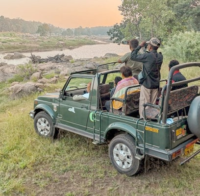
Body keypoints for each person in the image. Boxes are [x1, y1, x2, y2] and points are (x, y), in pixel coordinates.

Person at [131, 37, 163, 118]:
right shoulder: (160, 56)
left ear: (150, 46)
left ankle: (143, 120)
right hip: (155, 84)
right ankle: (151, 119)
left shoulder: (147, 56)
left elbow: (133, 56)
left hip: (147, 84)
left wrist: (140, 46)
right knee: (152, 105)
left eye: (148, 44)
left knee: (144, 104)